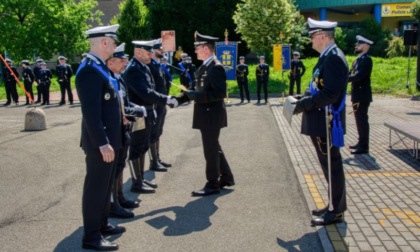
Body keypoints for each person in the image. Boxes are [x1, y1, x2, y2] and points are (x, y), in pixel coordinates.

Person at [292, 18, 348, 226]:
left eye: (313, 36)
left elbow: (331, 94)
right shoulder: (327, 57)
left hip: (327, 122)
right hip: (321, 121)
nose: (311, 40)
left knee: (332, 167)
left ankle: (336, 211)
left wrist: (304, 104)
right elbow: (318, 87)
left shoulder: (333, 58)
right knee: (328, 166)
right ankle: (333, 205)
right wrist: (301, 98)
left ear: (323, 36)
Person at [75, 24, 124, 251]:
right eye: (113, 42)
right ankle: (91, 237)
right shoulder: (89, 71)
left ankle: (102, 224)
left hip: (109, 141)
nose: (114, 46)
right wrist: (103, 142)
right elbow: (91, 113)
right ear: (104, 42)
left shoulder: (100, 68)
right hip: (100, 143)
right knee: (95, 188)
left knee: (104, 186)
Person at [174, 31, 235, 197]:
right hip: (206, 114)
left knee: (210, 150)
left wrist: (196, 96)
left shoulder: (215, 67)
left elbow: (219, 93)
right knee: (214, 147)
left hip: (211, 115)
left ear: (206, 49)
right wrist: (177, 100)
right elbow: (195, 89)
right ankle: (226, 177)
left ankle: (213, 183)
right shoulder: (205, 66)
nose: (195, 51)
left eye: (197, 48)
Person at [123, 40, 178, 194]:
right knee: (136, 148)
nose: (151, 55)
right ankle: (136, 182)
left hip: (148, 111)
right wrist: (166, 99)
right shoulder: (133, 69)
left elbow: (152, 89)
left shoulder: (143, 67)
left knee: (144, 145)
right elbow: (145, 92)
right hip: (139, 115)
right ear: (139, 52)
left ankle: (140, 178)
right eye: (148, 53)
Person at [106, 43, 144, 219]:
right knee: (113, 168)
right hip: (113, 131)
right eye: (122, 61)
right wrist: (138, 111)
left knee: (120, 164)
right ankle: (113, 204)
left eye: (125, 61)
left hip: (123, 129)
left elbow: (125, 104)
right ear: (111, 61)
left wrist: (136, 109)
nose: (124, 64)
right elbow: (117, 108)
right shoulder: (107, 78)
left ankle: (120, 197)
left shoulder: (119, 78)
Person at [148, 39, 172, 171]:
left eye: (162, 50)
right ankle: (153, 161)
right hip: (155, 104)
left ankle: (157, 158)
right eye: (159, 50)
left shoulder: (158, 65)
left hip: (161, 103)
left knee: (158, 132)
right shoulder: (150, 66)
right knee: (153, 133)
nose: (162, 52)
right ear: (153, 52)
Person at [348, 35, 373, 155]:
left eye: (358, 45)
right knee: (358, 120)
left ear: (365, 46)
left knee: (362, 121)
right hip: (357, 94)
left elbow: (359, 76)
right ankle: (360, 142)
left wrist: (343, 79)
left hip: (362, 95)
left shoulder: (367, 60)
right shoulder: (357, 60)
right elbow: (350, 73)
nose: (356, 46)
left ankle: (364, 146)